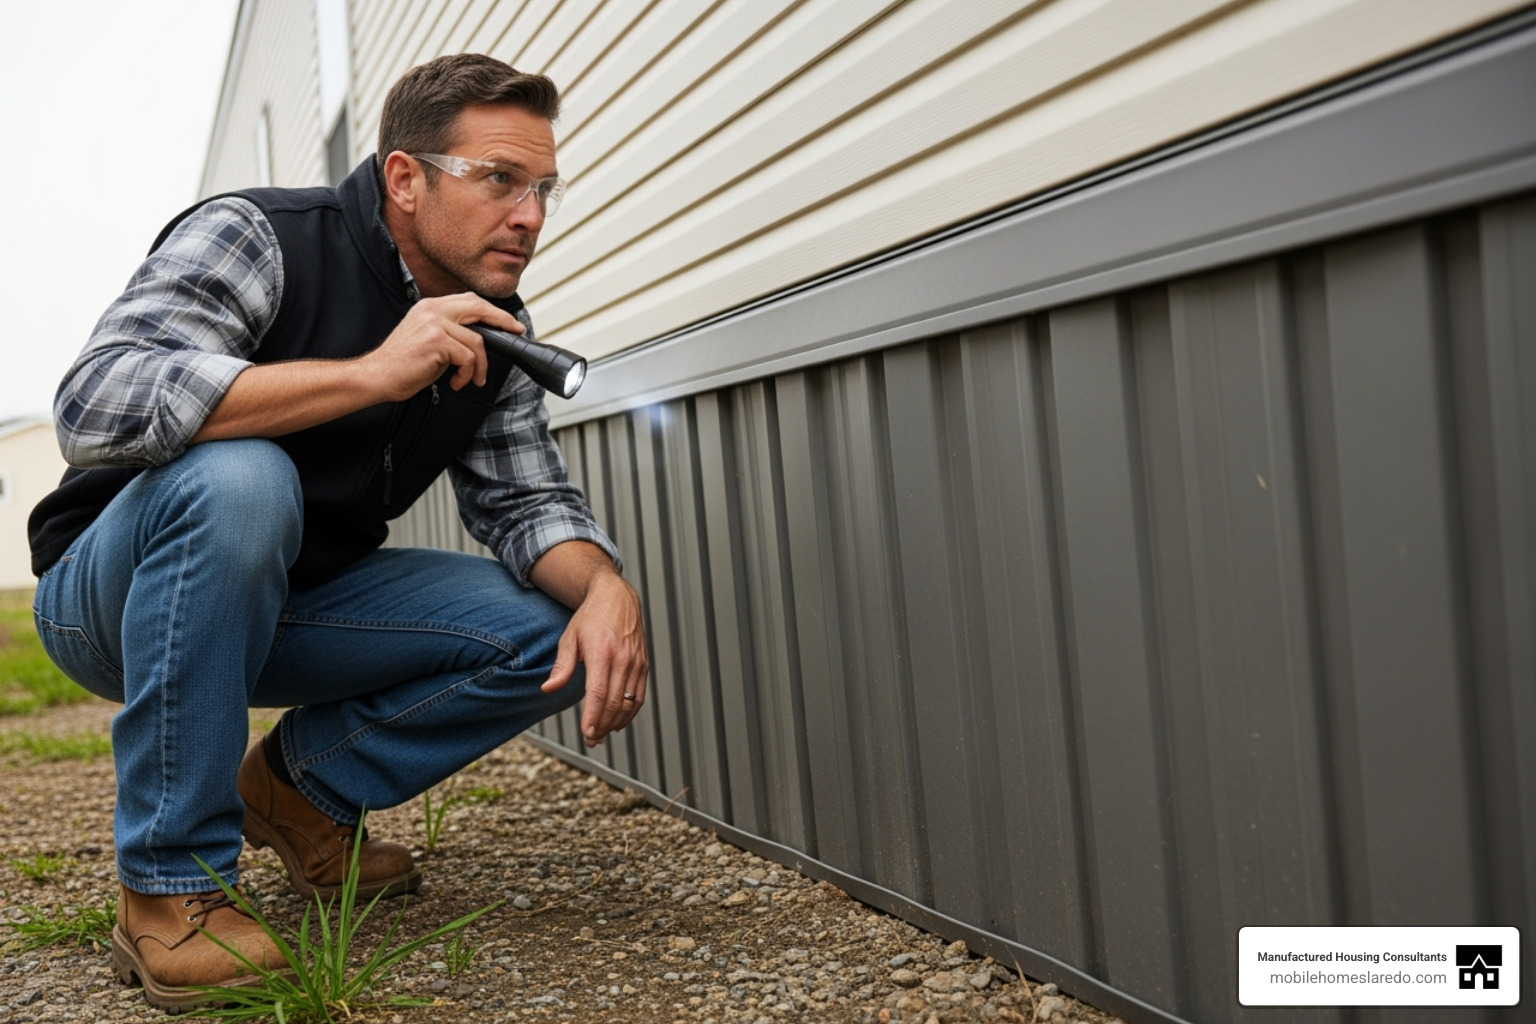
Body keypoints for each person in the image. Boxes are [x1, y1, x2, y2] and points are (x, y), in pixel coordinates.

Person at [27, 53, 648, 1012]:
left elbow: (527, 504)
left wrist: (606, 587)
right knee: (241, 477)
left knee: (546, 623)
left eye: (542, 189)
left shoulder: (494, 325)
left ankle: (300, 792)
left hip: (293, 600)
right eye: (499, 180)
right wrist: (368, 375)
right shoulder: (262, 237)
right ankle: (168, 888)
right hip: (111, 593)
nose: (528, 214)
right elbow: (94, 402)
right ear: (406, 178)